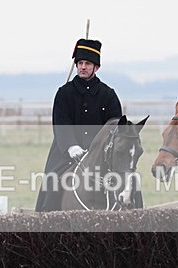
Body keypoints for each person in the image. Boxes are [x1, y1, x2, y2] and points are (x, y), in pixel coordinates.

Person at [34, 38, 123, 211]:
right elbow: (61, 124)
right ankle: (45, 224)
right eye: (80, 63)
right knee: (52, 183)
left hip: (102, 154)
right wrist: (71, 146)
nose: (82, 67)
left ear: (96, 67)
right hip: (67, 154)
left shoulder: (108, 95)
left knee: (129, 182)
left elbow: (115, 126)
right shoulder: (64, 93)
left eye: (87, 63)